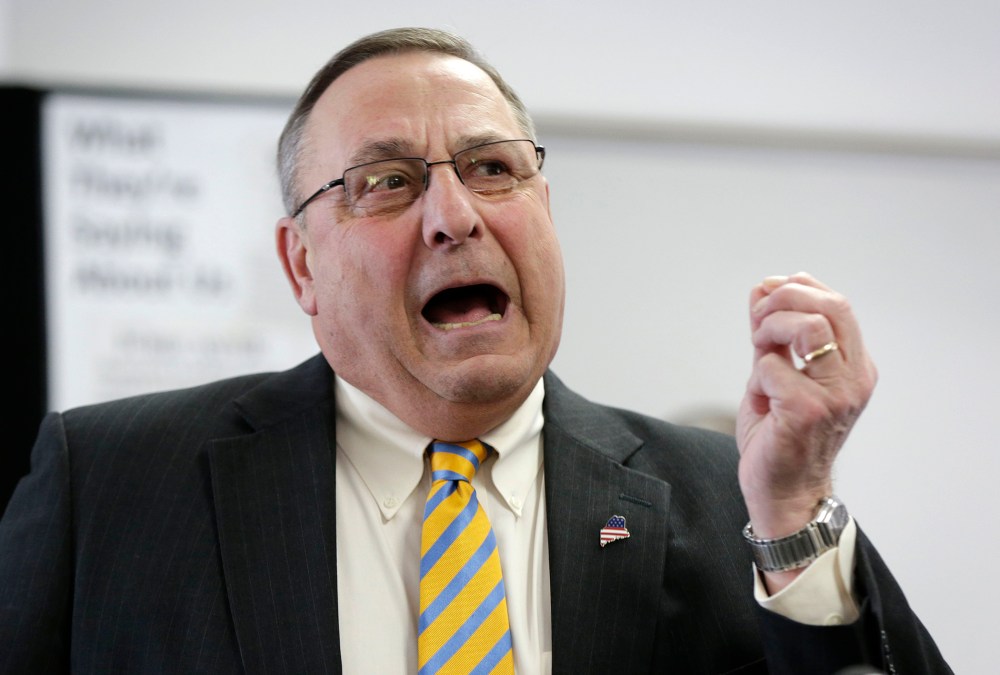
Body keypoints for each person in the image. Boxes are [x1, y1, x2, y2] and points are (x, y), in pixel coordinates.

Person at [0, 27, 950, 674]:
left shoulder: (727, 496)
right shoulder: (112, 486)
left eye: (494, 168)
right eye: (387, 181)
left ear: (546, 209)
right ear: (301, 266)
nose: (455, 216)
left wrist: (791, 512)